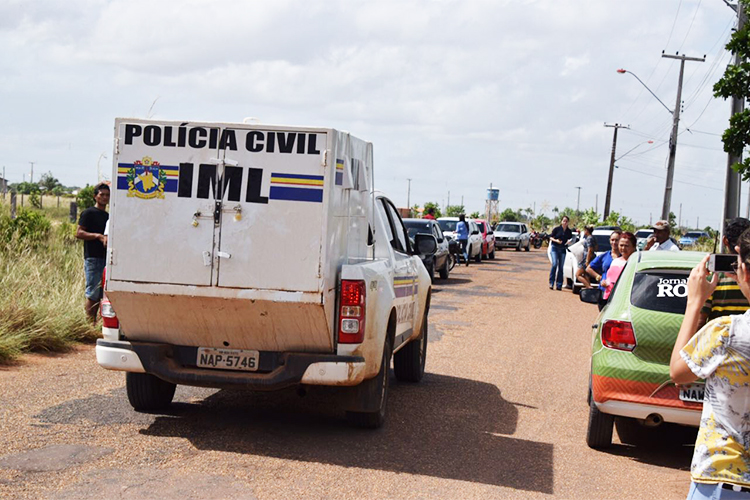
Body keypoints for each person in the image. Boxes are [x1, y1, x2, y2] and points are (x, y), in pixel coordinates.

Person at [669, 235, 750, 499]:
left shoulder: (728, 332)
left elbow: (678, 372)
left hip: (723, 479)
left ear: (744, 272)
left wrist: (694, 303)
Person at [699, 217, 750, 327]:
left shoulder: (713, 278)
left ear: (725, 241)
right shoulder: (748, 276)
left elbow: (700, 320)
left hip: (719, 340)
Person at [76, 183, 110, 323]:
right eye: (102, 194)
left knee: (102, 293)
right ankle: (89, 324)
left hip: (106, 258)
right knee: (93, 293)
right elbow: (79, 233)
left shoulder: (107, 216)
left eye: (107, 195)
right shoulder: (89, 213)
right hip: (93, 257)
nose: (104, 197)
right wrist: (98, 236)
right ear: (95, 196)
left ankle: (97, 324)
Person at [586, 230, 622, 310]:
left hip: (619, 292)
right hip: (604, 291)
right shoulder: (604, 256)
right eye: (612, 240)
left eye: (617, 240)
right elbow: (589, 268)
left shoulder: (624, 257)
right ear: (609, 241)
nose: (614, 242)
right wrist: (599, 277)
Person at [602, 231, 636, 300]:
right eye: (621, 245)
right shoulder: (615, 262)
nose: (623, 248)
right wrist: (604, 283)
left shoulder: (635, 262)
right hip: (610, 298)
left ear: (634, 247)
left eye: (626, 246)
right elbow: (609, 279)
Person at [548, 215, 573, 290]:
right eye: (563, 221)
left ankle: (559, 284)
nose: (565, 222)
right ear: (561, 221)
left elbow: (571, 239)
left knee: (561, 267)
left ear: (568, 223)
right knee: (554, 264)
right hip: (555, 248)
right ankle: (551, 283)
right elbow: (550, 237)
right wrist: (556, 241)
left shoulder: (569, 231)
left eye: (566, 221)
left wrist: (569, 242)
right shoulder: (557, 229)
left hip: (563, 249)